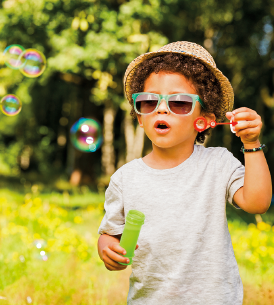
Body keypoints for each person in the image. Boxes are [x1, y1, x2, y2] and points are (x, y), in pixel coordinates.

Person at [97, 41, 272, 304]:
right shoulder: (125, 179)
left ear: (203, 120)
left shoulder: (218, 163)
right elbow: (110, 234)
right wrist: (107, 249)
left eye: (179, 103)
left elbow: (257, 203)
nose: (162, 108)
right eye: (148, 101)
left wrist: (251, 144)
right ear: (139, 116)